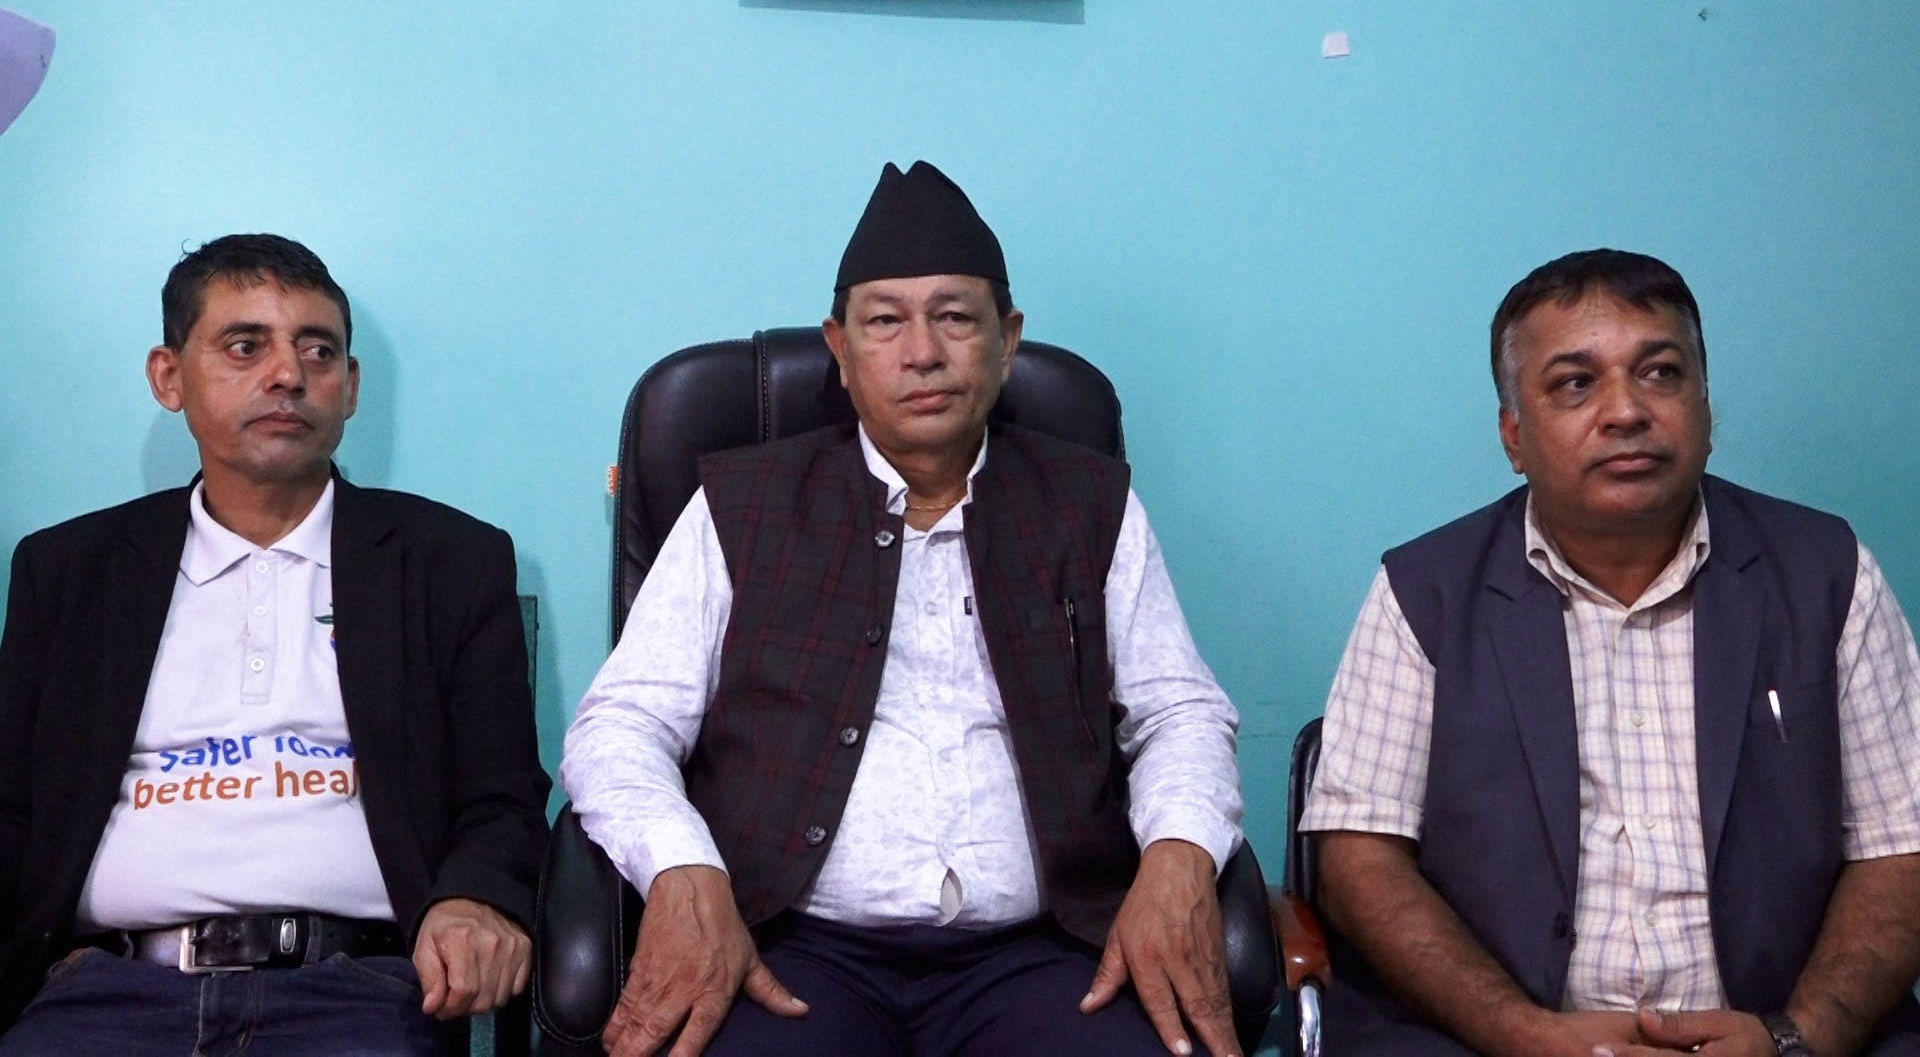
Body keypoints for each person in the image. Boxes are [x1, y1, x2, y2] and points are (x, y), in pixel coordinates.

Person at [562, 161, 1245, 1057]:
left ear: (1007, 339)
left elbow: (1179, 712)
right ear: (840, 350)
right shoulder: (741, 505)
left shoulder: (1090, 503)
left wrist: (1179, 854)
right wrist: (682, 868)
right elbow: (621, 726)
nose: (922, 352)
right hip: (791, 948)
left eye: (955, 317)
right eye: (885, 321)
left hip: (1046, 954)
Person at [1301, 248, 1920, 1056]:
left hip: (1778, 1032)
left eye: (1660, 373)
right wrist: (1523, 1034)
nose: (1626, 411)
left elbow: (1903, 846)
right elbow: (1360, 860)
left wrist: (1795, 1040)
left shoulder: (1827, 575)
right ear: (1514, 435)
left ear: (1706, 408)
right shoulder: (1426, 592)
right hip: (1488, 1041)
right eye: (1575, 383)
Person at [0, 234, 551, 1053]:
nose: (289, 374)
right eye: (245, 346)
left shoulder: (448, 563)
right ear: (169, 377)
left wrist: (476, 899)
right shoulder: (71, 572)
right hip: (106, 995)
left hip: (358, 994)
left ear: (350, 387)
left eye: (318, 350)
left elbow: (500, 797)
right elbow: (12, 809)